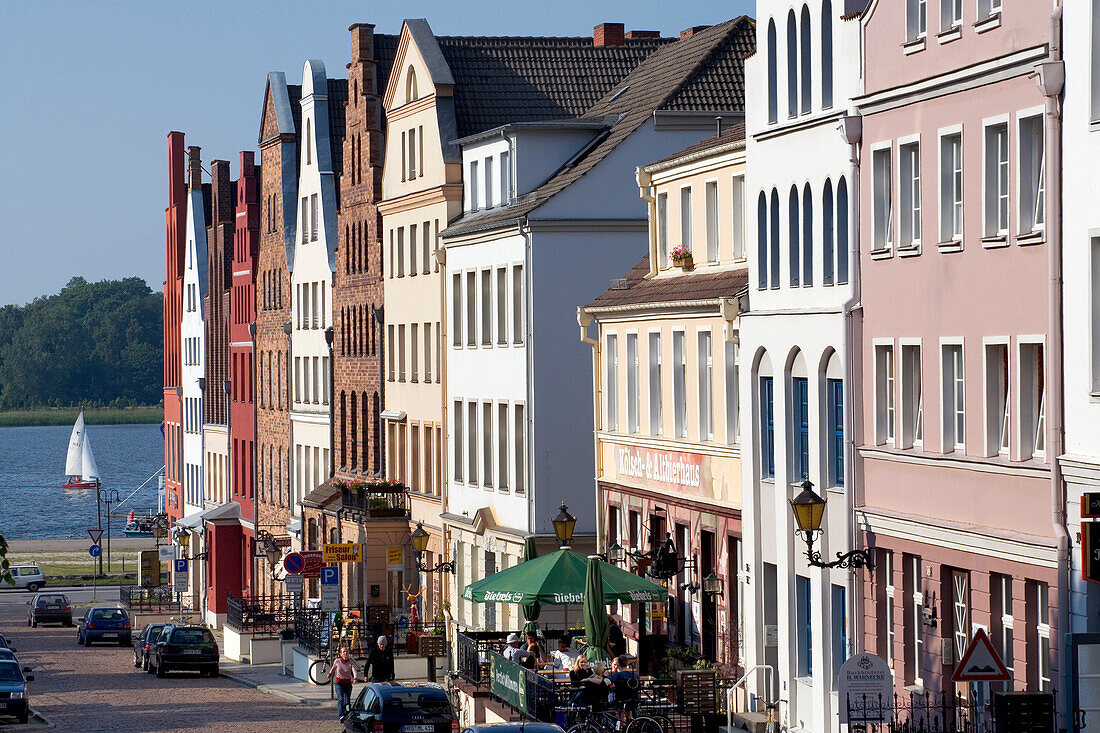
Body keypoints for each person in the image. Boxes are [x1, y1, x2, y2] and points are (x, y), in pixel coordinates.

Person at [327, 646, 359, 720]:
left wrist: (355, 678)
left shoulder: (351, 662)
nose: (345, 653)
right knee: (341, 699)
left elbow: (354, 671)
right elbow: (333, 668)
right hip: (339, 683)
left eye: (347, 652)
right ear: (341, 654)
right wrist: (329, 673)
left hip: (347, 683)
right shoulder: (337, 661)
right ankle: (341, 715)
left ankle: (347, 713)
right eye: (344, 652)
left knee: (347, 701)